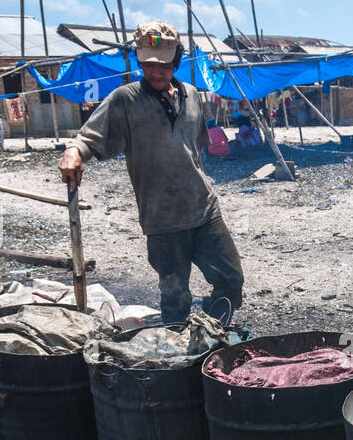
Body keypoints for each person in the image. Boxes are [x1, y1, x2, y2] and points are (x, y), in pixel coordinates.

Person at [59, 20, 243, 326]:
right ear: (139, 60)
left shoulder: (193, 96)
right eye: (148, 64)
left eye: (164, 65)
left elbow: (195, 151)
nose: (156, 71)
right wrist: (72, 152)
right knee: (175, 297)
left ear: (177, 60)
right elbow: (87, 138)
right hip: (162, 220)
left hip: (203, 209)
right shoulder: (125, 100)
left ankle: (212, 333)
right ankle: (177, 353)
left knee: (231, 280)